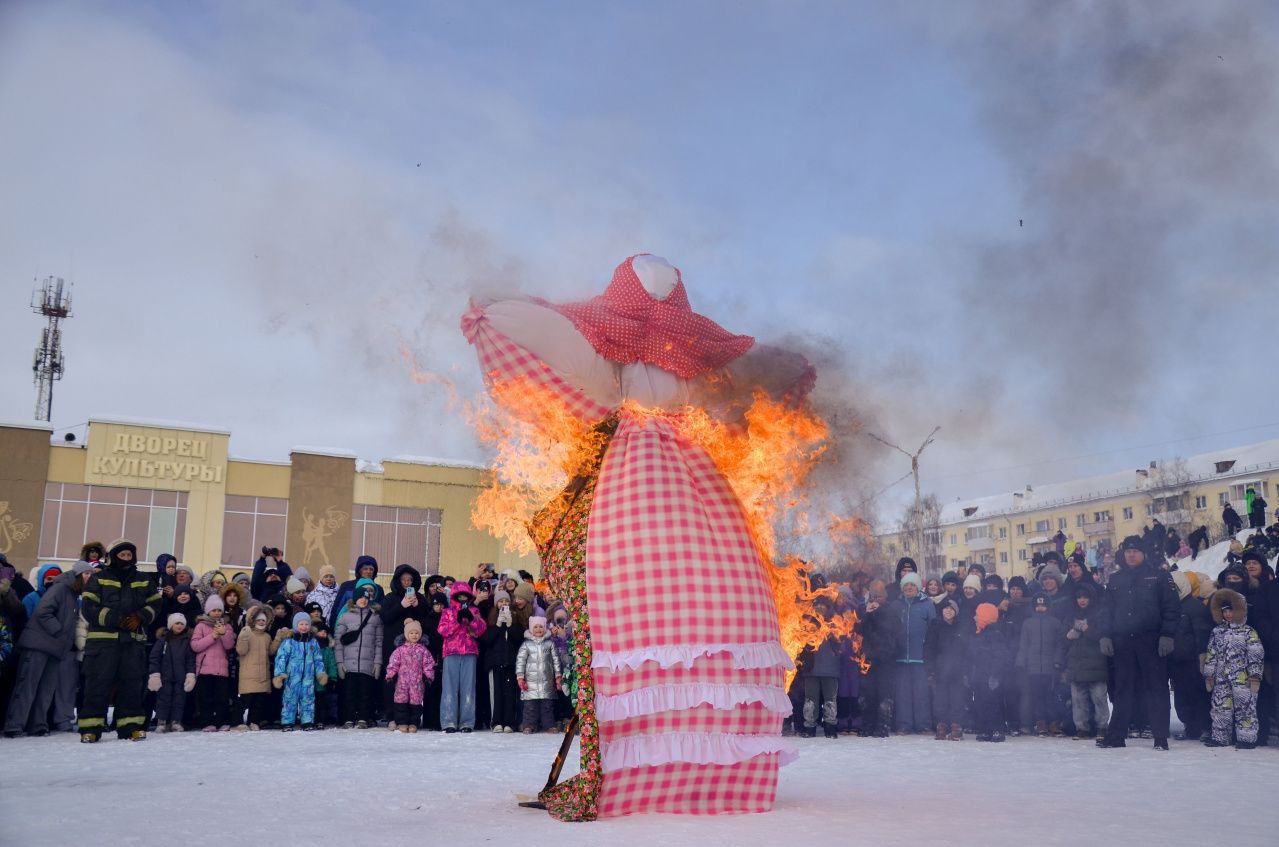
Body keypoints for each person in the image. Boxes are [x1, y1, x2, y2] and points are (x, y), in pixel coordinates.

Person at [1097, 536, 1179, 750]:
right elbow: (1106, 610)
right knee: (1122, 689)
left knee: (1157, 688)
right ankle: (1116, 736)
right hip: (1123, 642)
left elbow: (1171, 608)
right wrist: (1105, 635)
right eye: (1128, 551)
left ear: (1143, 554)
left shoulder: (1159, 576)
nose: (1131, 555)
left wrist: (1167, 634)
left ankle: (1160, 737)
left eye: (1135, 551)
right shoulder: (1115, 579)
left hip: (1151, 641)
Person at [78, 539, 162, 742]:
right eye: (122, 555)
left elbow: (155, 604)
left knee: (132, 684)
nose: (126, 558)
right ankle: (91, 728)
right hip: (102, 643)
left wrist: (140, 617)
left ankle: (130, 726)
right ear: (113, 557)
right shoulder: (99, 578)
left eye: (129, 555)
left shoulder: (143, 579)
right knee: (97, 685)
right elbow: (89, 608)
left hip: (132, 642)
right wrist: (115, 619)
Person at [4, 561, 91, 737]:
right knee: (27, 686)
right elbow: (43, 612)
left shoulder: (74, 595)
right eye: (86, 574)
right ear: (78, 575)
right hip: (38, 645)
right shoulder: (60, 589)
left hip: (56, 649)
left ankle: (38, 724)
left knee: (46, 689)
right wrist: (58, 631)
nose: (90, 578)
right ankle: (14, 725)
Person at [1203, 589, 1265, 748]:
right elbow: (1211, 654)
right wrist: (1209, 674)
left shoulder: (1248, 632)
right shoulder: (1217, 632)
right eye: (1225, 611)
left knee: (1245, 708)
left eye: (1231, 610)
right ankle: (1220, 737)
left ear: (1240, 611)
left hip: (1243, 679)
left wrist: (1255, 675)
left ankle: (1246, 739)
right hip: (1221, 678)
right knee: (1220, 707)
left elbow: (1256, 654)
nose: (1228, 614)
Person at [1168, 571, 1213, 741]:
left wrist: (1202, 656)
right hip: (1176, 659)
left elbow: (1202, 633)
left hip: (1193, 660)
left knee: (1198, 694)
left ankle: (1204, 726)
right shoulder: (1170, 607)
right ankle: (1190, 725)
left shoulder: (1194, 607)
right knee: (1181, 695)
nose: (1171, 591)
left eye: (1174, 587)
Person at [890, 572, 936, 733]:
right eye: (906, 585)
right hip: (900, 657)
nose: (909, 588)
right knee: (902, 693)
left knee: (921, 693)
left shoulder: (927, 604)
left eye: (912, 585)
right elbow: (890, 629)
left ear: (918, 588)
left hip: (920, 657)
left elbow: (933, 630)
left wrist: (929, 652)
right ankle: (904, 724)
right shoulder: (896, 605)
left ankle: (923, 724)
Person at [437, 580, 486, 733]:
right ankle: (448, 721)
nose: (462, 599)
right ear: (454, 597)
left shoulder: (474, 611)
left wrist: (471, 621)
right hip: (451, 652)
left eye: (465, 596)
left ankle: (467, 722)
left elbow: (481, 630)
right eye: (460, 596)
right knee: (449, 688)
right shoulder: (447, 612)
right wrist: (457, 622)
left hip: (469, 652)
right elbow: (442, 630)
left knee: (468, 688)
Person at [335, 579, 384, 729]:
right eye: (361, 597)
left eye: (366, 598)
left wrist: (377, 662)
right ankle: (349, 718)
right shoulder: (345, 616)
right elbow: (338, 642)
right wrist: (339, 662)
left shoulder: (375, 618)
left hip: (367, 664)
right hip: (349, 664)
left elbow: (379, 642)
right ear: (355, 598)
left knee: (365, 693)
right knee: (349, 693)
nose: (363, 600)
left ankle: (363, 718)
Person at [1063, 584, 1109, 740]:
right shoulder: (1070, 616)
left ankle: (1102, 727)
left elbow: (1103, 634)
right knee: (1078, 699)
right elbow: (1062, 641)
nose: (1082, 600)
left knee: (1099, 697)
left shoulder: (1100, 613)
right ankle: (1081, 728)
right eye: (1079, 597)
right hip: (1076, 663)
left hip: (1096, 663)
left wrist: (1087, 630)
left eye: (1085, 597)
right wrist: (1068, 636)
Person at [1016, 594, 1065, 736]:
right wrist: (1021, 662)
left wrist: (1058, 661)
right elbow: (1023, 644)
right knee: (1037, 696)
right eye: (1038, 605)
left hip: (1050, 668)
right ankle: (1040, 722)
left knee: (1051, 696)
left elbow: (1059, 644)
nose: (1040, 608)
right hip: (1033, 667)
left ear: (1048, 607)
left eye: (1043, 605)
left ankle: (1053, 722)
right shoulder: (1027, 623)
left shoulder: (1055, 623)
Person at [273, 612, 328, 731]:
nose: (304, 627)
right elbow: (281, 658)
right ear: (295, 625)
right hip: (292, 677)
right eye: (301, 624)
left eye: (306, 624)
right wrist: (279, 674)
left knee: (308, 699)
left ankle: (307, 721)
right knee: (290, 699)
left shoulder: (313, 642)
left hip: (308, 677)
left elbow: (318, 659)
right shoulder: (289, 641)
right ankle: (287, 722)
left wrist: (320, 673)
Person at [797, 598, 843, 739]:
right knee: (810, 700)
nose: (820, 608)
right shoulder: (807, 622)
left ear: (828, 607)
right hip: (811, 669)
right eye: (818, 605)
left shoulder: (835, 622)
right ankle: (809, 727)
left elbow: (841, 646)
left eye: (823, 605)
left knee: (830, 700)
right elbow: (800, 644)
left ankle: (830, 727)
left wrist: (832, 636)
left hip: (831, 669)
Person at [190, 595, 236, 732]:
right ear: (208, 611)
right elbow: (195, 646)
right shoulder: (201, 626)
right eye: (214, 610)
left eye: (219, 610)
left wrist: (224, 634)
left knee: (222, 698)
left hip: (221, 670)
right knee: (206, 698)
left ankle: (222, 721)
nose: (216, 613)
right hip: (205, 670)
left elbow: (229, 646)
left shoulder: (227, 626)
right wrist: (213, 636)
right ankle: (207, 722)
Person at [481, 588, 524, 733]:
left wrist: (510, 625)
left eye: (506, 601)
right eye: (501, 601)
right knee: (497, 693)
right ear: (496, 604)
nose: (504, 603)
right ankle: (496, 721)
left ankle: (509, 722)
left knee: (510, 693)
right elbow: (486, 640)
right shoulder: (491, 619)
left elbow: (519, 639)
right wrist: (498, 625)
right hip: (495, 662)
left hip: (511, 662)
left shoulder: (515, 617)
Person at [924, 598, 967, 741]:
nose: (948, 611)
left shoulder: (961, 627)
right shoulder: (935, 626)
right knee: (940, 700)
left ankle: (956, 726)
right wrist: (930, 668)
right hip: (940, 670)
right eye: (946, 608)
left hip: (958, 670)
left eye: (951, 608)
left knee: (957, 699)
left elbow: (967, 649)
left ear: (956, 611)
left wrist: (966, 668)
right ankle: (941, 725)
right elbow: (929, 648)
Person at [385, 618, 436, 733]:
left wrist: (428, 677)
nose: (414, 635)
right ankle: (402, 722)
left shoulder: (423, 650)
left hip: (417, 682)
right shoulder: (400, 650)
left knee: (416, 701)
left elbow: (428, 664)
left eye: (417, 633)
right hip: (402, 682)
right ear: (406, 634)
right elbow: (393, 663)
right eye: (411, 633)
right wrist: (390, 675)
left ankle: (414, 723)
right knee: (401, 700)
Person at [147, 613, 195, 733]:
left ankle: (176, 721)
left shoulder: (187, 641)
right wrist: (155, 674)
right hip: (165, 676)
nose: (179, 626)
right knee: (163, 698)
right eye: (177, 623)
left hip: (181, 676)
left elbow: (190, 659)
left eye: (182, 624)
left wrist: (190, 674)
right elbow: (154, 657)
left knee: (179, 699)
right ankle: (161, 721)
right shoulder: (163, 640)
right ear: (171, 625)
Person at [969, 603, 1010, 742]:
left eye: (977, 615)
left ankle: (997, 729)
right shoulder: (977, 634)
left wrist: (995, 675)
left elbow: (1001, 657)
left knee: (993, 703)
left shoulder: (995, 635)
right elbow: (971, 657)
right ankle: (985, 729)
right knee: (980, 703)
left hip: (990, 676)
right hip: (978, 676)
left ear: (985, 617)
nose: (974, 618)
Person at [516, 615, 562, 734]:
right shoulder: (526, 645)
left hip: (547, 681)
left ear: (545, 628)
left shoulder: (550, 644)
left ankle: (549, 725)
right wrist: (520, 677)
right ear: (531, 629)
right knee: (530, 706)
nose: (538, 629)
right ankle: (529, 725)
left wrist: (558, 676)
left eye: (541, 627)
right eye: (535, 627)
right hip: (530, 682)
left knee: (547, 706)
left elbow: (556, 660)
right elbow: (520, 661)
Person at [234, 605, 274, 731]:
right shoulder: (247, 633)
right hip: (248, 675)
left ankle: (253, 721)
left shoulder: (267, 637)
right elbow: (241, 651)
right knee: (245, 701)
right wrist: (243, 637)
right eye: (258, 620)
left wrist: (278, 638)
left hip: (262, 675)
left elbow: (271, 651)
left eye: (263, 620)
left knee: (258, 702)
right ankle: (237, 722)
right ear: (253, 620)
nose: (261, 622)